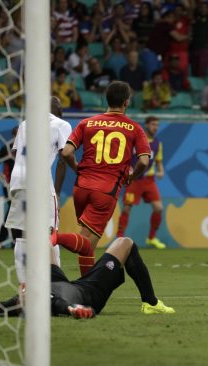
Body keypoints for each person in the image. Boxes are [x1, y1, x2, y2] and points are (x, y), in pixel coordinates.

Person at [0, 237, 175, 319]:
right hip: (86, 293)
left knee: (42, 241)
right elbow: (65, 307)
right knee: (125, 243)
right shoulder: (46, 302)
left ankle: (52, 234)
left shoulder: (16, 302)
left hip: (58, 283)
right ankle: (151, 303)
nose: (22, 290)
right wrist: (77, 310)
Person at [61, 81, 152, 274]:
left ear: (106, 99)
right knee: (85, 242)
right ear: (126, 102)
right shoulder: (134, 128)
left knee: (88, 247)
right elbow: (144, 161)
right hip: (105, 191)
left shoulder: (87, 123)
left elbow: (67, 152)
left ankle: (86, 291)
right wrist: (132, 177)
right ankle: (51, 239)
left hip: (81, 187)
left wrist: (77, 168)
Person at [5, 97, 83, 285]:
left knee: (21, 235)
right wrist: (80, 171)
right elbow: (66, 155)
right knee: (50, 233)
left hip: (18, 180)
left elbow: (16, 153)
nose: (63, 109)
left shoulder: (25, 123)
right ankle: (55, 284)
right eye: (61, 106)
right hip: (40, 182)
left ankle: (25, 286)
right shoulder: (61, 124)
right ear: (54, 108)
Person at [117, 116, 167, 249]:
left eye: (157, 125)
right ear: (146, 125)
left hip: (149, 180)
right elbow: (125, 157)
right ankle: (119, 237)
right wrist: (129, 168)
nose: (155, 127)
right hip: (134, 180)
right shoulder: (136, 140)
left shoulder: (158, 143)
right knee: (127, 208)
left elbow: (158, 161)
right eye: (153, 124)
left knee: (159, 208)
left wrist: (161, 171)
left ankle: (151, 238)